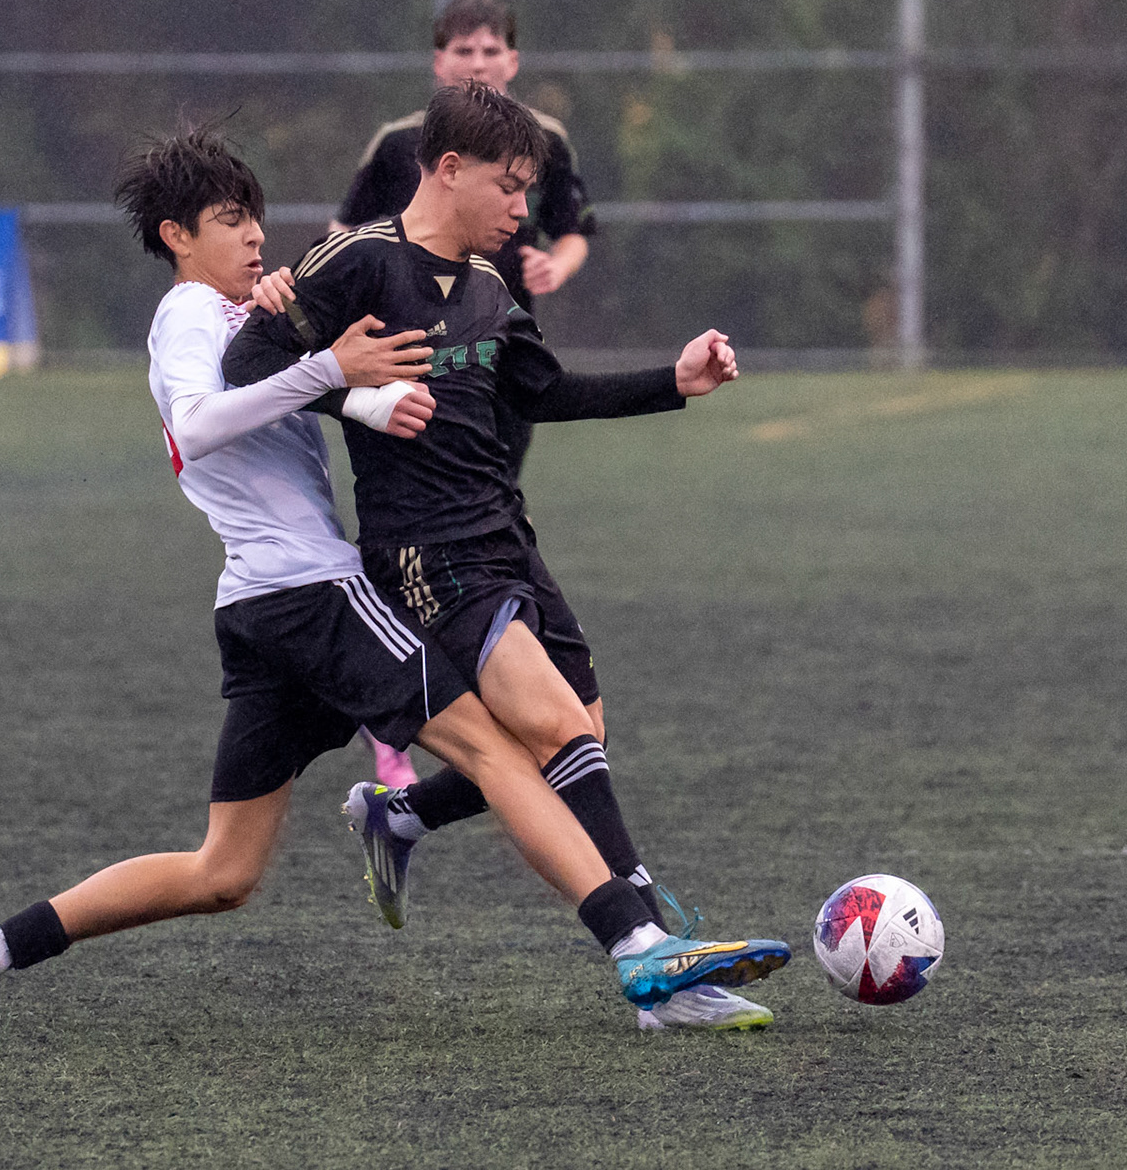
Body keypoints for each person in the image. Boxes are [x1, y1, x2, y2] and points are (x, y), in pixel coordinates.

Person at [0, 124, 788, 1023]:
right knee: (499, 749)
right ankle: (639, 948)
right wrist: (332, 368)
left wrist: (339, 378)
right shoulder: (187, 314)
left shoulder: (244, 309)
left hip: (261, 605)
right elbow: (197, 426)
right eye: (230, 221)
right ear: (178, 236)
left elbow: (304, 378)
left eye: (254, 217)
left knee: (223, 872)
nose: (255, 235)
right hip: (316, 593)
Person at [226, 84, 778, 1031]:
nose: (524, 209)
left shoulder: (489, 287)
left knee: (580, 734)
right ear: (449, 170)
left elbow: (543, 391)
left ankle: (400, 817)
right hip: (422, 552)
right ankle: (655, 956)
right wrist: (351, 395)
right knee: (557, 728)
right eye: (510, 186)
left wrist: (675, 382)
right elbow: (245, 371)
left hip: (506, 540)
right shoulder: (356, 262)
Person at [333, 0, 598, 786]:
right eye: (463, 51)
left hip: (502, 361)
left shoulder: (544, 140)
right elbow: (346, 235)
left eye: (490, 51)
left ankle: (480, 689)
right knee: (419, 527)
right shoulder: (400, 145)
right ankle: (396, 701)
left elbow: (575, 230)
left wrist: (556, 265)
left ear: (513, 61)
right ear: (438, 63)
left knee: (489, 514)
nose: (477, 64)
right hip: (413, 361)